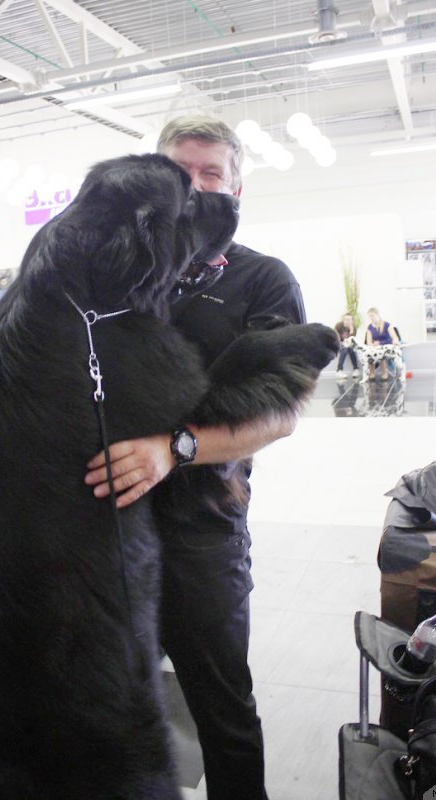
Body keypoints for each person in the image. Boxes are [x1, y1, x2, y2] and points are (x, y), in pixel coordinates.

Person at [85, 116, 306, 800]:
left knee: (222, 712)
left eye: (212, 174)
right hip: (105, 529)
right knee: (108, 708)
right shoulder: (114, 276)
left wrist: (175, 449)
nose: (195, 186)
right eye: (181, 172)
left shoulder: (264, 281)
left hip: (202, 533)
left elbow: (279, 415)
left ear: (236, 190)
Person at [366, 307, 400, 380]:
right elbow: (369, 342)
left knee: (381, 354)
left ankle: (385, 373)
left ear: (377, 315)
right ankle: (372, 373)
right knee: (370, 353)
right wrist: (373, 345)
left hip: (386, 346)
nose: (371, 318)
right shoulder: (370, 327)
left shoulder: (387, 325)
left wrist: (381, 343)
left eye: (372, 315)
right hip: (376, 347)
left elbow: (394, 338)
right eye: (369, 316)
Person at [334, 312, 359, 380]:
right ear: (343, 320)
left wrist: (351, 330)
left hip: (348, 345)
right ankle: (339, 370)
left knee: (350, 348)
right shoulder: (338, 326)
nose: (347, 321)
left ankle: (356, 369)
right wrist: (342, 342)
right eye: (345, 319)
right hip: (339, 344)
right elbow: (335, 337)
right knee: (345, 348)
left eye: (349, 320)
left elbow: (352, 340)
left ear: (352, 321)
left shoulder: (353, 327)